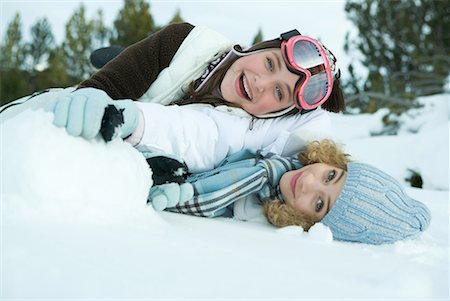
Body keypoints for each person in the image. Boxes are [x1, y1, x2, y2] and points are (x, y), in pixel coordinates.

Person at [0, 22, 345, 173]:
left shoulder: (247, 137)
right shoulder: (183, 42)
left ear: (280, 111)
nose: (261, 82)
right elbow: (96, 96)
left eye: (279, 92)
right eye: (270, 63)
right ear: (258, 47)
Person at [147, 139, 431, 245]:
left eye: (319, 203)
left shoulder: (250, 210)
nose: (308, 182)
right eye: (330, 175)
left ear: (313, 224)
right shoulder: (286, 144)